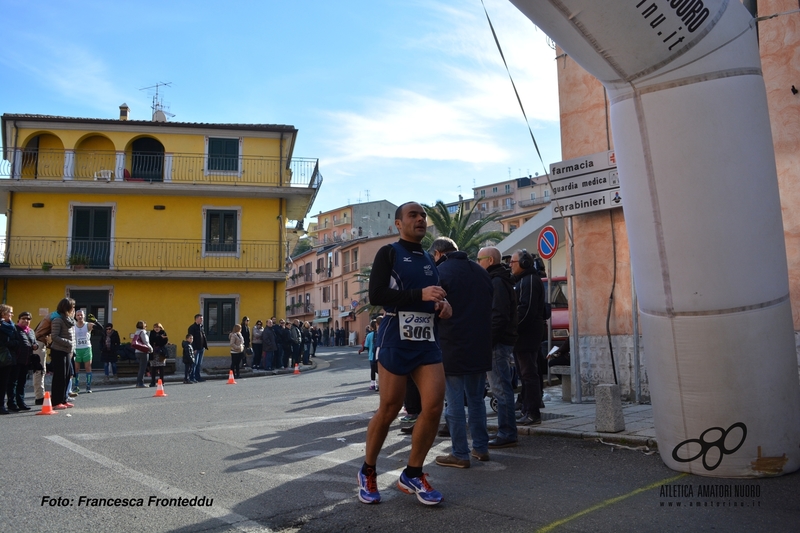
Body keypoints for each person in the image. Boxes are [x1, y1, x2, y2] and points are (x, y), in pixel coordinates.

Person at [358, 201, 452, 506]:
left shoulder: (428, 259)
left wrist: (442, 307)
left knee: (435, 406)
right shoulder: (389, 253)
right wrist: (418, 295)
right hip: (396, 335)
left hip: (426, 338)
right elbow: (377, 296)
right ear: (398, 224)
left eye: (423, 216)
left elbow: (432, 298)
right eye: (413, 215)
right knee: (390, 407)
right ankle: (368, 470)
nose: (421, 219)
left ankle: (413, 472)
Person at [429, 237, 493, 469]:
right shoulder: (481, 271)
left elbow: (434, 309)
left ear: (438, 253)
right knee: (476, 400)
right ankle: (481, 448)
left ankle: (459, 453)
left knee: (454, 401)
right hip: (480, 344)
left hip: (452, 344)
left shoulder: (441, 273)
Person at [478, 246, 519, 448]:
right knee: (501, 387)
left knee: (501, 389)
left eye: (480, 259)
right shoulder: (500, 280)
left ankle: (507, 432)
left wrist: (488, 341)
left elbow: (498, 316)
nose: (478, 263)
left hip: (497, 342)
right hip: (501, 341)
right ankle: (507, 431)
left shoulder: (496, 282)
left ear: (490, 261)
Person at [510, 249, 546, 426]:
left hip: (527, 335)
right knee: (526, 373)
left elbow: (526, 310)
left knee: (528, 373)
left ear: (524, 263)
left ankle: (532, 412)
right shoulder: (524, 281)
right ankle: (527, 408)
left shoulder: (529, 281)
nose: (510, 265)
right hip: (524, 335)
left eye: (513, 262)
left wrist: (513, 328)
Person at [49, 298, 76, 409]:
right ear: (66, 308)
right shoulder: (57, 320)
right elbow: (54, 336)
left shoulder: (68, 320)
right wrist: (68, 343)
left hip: (67, 351)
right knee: (59, 377)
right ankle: (56, 402)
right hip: (59, 351)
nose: (74, 309)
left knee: (66, 376)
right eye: (72, 307)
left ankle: (63, 399)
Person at [10, 311, 37, 411]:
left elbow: (34, 342)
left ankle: (21, 402)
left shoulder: (31, 331)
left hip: (26, 361)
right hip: (16, 360)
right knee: (13, 383)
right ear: (19, 320)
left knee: (22, 383)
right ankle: (11, 403)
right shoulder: (15, 330)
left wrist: (35, 346)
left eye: (28, 319)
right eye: (24, 318)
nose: (26, 321)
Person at [0, 304, 20, 414]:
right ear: (3, 313)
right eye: (10, 312)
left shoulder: (12, 326)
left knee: (7, 382)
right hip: (2, 356)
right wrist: (8, 343)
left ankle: (7, 404)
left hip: (10, 358)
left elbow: (17, 341)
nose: (12, 314)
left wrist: (11, 343)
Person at [72, 309, 93, 393]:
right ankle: (76, 386)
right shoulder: (73, 326)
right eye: (78, 315)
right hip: (76, 349)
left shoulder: (88, 325)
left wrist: (95, 321)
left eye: (81, 315)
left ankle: (88, 386)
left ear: (84, 316)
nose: (80, 316)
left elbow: (101, 328)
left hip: (86, 348)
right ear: (75, 317)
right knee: (76, 368)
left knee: (88, 367)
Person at [133, 320, 153, 388]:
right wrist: (151, 348)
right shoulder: (143, 332)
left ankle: (138, 382)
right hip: (143, 352)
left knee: (141, 368)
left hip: (137, 351)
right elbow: (146, 342)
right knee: (143, 368)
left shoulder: (137, 332)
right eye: (145, 324)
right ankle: (140, 383)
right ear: (143, 326)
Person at [188, 314, 208, 382]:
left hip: (201, 348)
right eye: (200, 318)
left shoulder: (201, 327)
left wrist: (205, 345)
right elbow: (191, 339)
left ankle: (198, 377)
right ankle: (192, 377)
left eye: (202, 318)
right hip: (196, 348)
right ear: (196, 319)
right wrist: (194, 348)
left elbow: (203, 336)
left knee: (199, 363)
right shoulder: (192, 328)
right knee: (194, 363)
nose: (202, 320)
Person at [149, 323, 169, 388]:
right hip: (153, 352)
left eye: (158, 327)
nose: (156, 328)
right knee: (153, 368)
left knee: (161, 367)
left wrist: (159, 340)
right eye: (155, 327)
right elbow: (151, 340)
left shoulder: (163, 332)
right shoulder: (152, 333)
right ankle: (153, 382)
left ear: (160, 328)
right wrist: (160, 338)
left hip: (161, 352)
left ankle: (162, 381)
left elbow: (164, 341)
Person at [364, 320, 377, 390]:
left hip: (372, 356)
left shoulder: (369, 335)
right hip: (380, 356)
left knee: (373, 370)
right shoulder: (381, 333)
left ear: (371, 327)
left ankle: (373, 384)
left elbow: (366, 346)